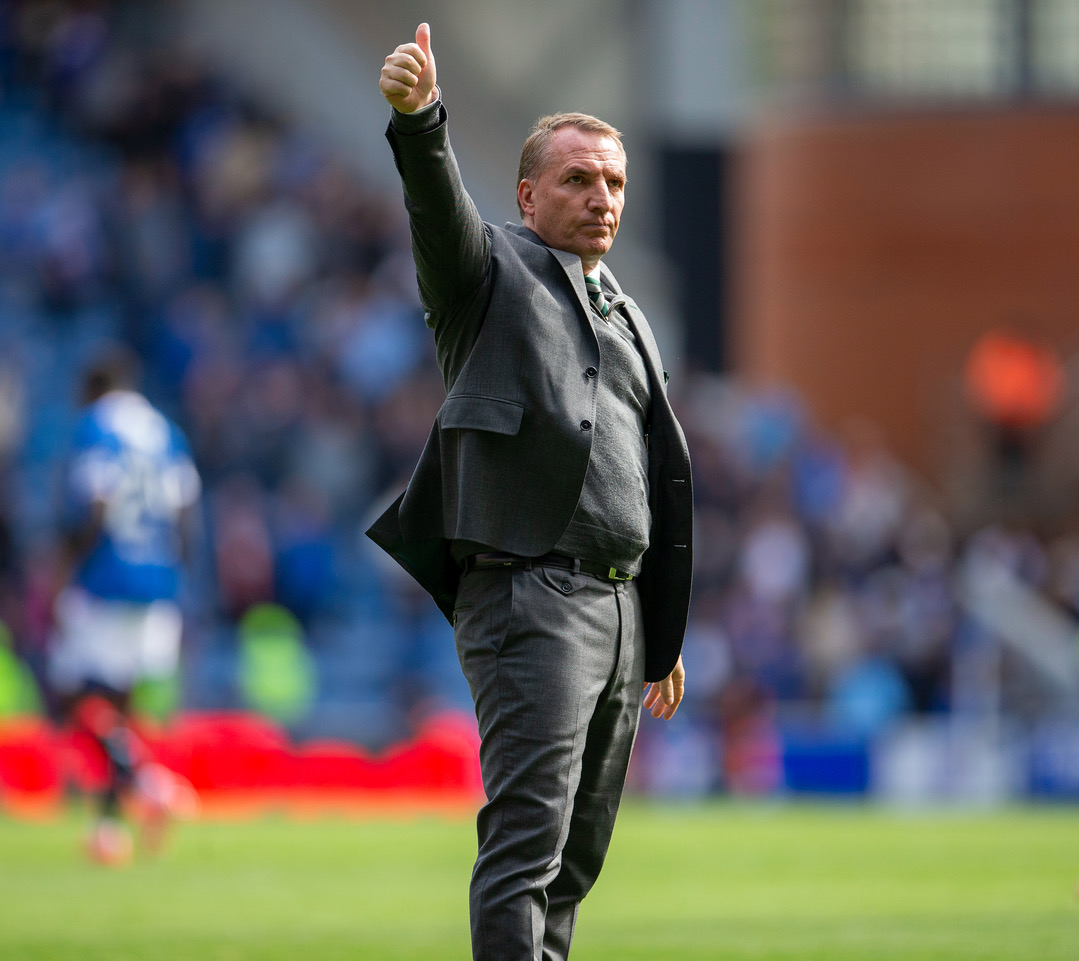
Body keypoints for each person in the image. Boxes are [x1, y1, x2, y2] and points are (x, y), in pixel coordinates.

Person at [371, 23, 693, 960]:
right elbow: (436, 208)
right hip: (530, 593)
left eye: (615, 183)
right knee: (525, 846)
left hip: (618, 608)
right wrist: (419, 120)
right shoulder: (485, 274)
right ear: (526, 194)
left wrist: (657, 629)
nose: (602, 198)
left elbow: (648, 470)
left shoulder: (626, 312)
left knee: (573, 862)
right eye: (578, 179)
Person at [47, 346, 201, 863]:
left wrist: (66, 564)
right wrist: (177, 576)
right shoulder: (166, 432)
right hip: (158, 579)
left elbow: (97, 503)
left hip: (106, 578)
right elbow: (186, 514)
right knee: (123, 708)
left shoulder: (95, 426)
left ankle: (148, 781)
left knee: (73, 696)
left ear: (92, 388)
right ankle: (110, 830)